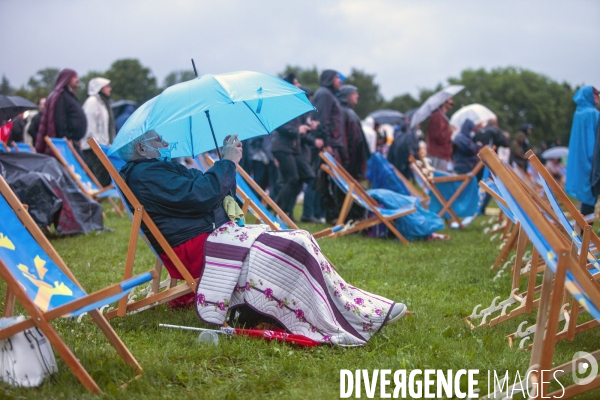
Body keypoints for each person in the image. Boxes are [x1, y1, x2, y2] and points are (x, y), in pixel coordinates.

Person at [117, 131, 408, 346]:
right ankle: (334, 318)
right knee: (295, 246)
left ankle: (351, 307)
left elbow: (203, 192)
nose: (166, 144)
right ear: (141, 147)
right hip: (197, 246)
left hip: (211, 235)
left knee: (301, 239)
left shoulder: (155, 169)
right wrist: (226, 164)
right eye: (158, 140)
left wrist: (223, 167)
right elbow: (199, 195)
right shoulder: (146, 175)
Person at [35, 69, 87, 156]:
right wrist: (66, 138)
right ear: (67, 79)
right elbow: (60, 119)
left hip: (74, 143)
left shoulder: (70, 96)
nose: (77, 80)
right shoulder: (61, 96)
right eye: (74, 77)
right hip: (66, 144)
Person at [566, 86, 599, 216]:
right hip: (591, 159)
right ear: (589, 96)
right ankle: (586, 230)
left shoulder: (578, 113)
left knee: (586, 196)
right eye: (595, 94)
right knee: (591, 193)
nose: (597, 97)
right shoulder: (593, 114)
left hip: (579, 159)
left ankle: (583, 230)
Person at [81, 77, 115, 186]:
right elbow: (90, 126)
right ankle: (96, 200)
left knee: (103, 175)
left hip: (101, 145)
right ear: (99, 88)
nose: (110, 89)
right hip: (93, 147)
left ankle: (100, 199)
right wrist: (97, 143)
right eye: (107, 86)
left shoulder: (102, 102)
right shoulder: (92, 102)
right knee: (97, 176)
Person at [312, 70, 346, 164]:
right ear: (329, 79)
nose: (339, 81)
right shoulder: (325, 94)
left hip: (331, 142)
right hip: (328, 144)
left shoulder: (328, 94)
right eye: (337, 77)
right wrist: (326, 144)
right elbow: (323, 119)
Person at [337, 85, 370, 179]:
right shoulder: (345, 112)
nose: (357, 96)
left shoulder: (349, 112)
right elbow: (352, 138)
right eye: (354, 93)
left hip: (353, 156)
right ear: (347, 96)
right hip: (349, 157)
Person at [425, 98, 454, 171]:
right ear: (444, 102)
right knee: (438, 179)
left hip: (440, 155)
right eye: (449, 100)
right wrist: (450, 130)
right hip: (437, 155)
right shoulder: (437, 116)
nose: (452, 102)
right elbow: (439, 136)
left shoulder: (440, 116)